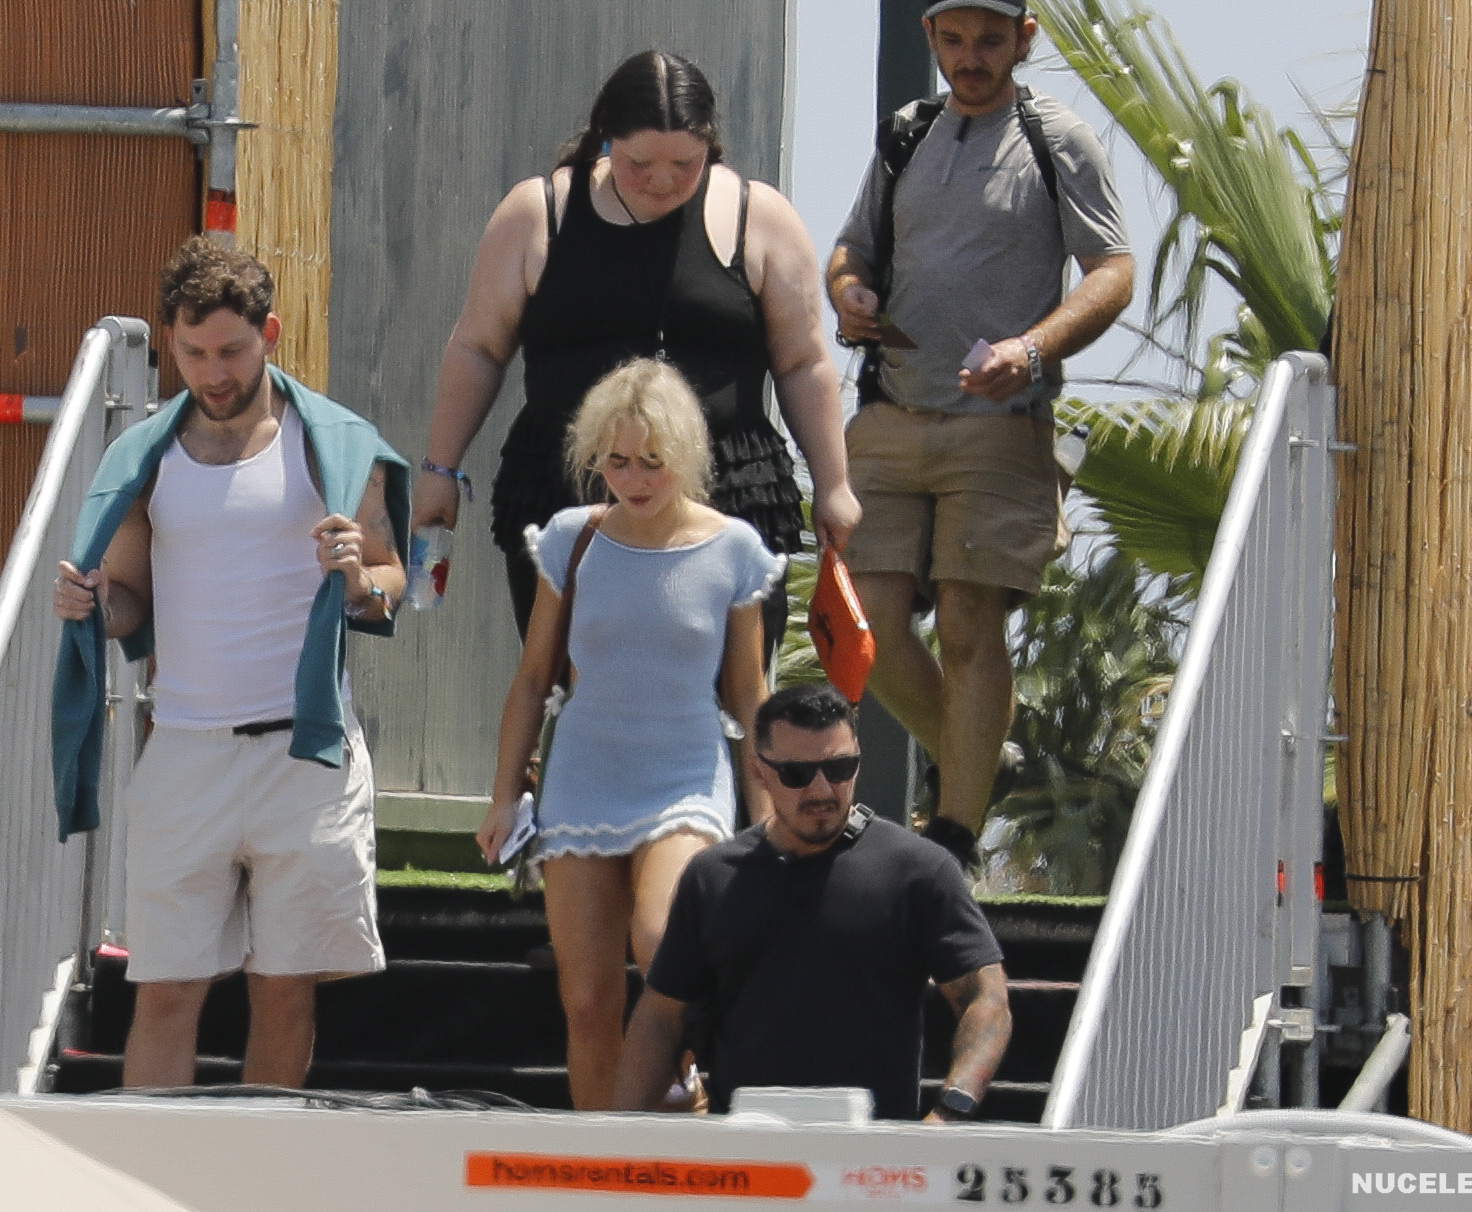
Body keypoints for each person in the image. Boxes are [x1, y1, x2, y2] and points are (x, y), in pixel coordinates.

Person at [51, 236, 411, 1088]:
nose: (213, 373)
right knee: (164, 992)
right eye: (193, 353)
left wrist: (359, 580)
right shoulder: (145, 456)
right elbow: (131, 601)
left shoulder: (335, 443)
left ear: (269, 334)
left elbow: (391, 580)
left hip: (307, 751)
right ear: (170, 345)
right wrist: (93, 604)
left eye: (231, 351)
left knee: (284, 991)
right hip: (185, 746)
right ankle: (148, 1163)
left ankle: (264, 1161)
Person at [826, 0, 1135, 867]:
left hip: (1000, 425)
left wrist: (1031, 350)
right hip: (889, 413)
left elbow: (1112, 270)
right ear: (930, 36)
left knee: (968, 624)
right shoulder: (906, 132)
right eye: (954, 40)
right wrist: (847, 295)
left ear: (1024, 40)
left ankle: (953, 840)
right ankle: (980, 756)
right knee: (865, 626)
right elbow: (849, 250)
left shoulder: (1056, 138)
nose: (970, 57)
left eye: (990, 41)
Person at [416, 48, 858, 653]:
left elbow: (802, 362)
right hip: (570, 489)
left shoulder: (760, 217)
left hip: (726, 491)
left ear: (711, 145)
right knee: (574, 683)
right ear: (605, 141)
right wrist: (440, 470)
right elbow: (479, 348)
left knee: (730, 691)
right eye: (639, 163)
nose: (663, 180)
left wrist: (834, 484)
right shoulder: (537, 213)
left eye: (685, 163)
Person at [475, 358, 783, 1110]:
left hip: (686, 772)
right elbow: (533, 678)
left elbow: (749, 697)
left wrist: (770, 819)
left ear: (687, 453)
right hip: (584, 771)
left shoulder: (733, 548)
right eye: (616, 461)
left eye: (652, 460)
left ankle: (686, 1089)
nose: (633, 478)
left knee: (660, 941)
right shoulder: (571, 538)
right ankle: (600, 1160)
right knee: (586, 1002)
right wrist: (504, 796)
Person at [613, 683, 1013, 1121]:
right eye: (797, 774)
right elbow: (661, 1016)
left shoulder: (918, 869)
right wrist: (622, 1133)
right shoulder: (713, 876)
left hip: (870, 1151)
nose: (822, 789)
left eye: (840, 768)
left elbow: (986, 998)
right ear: (759, 772)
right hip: (747, 1147)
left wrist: (952, 1110)